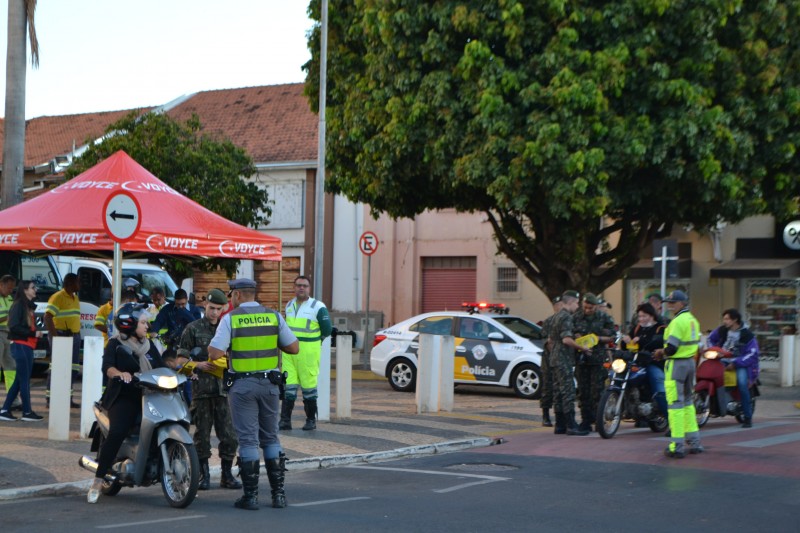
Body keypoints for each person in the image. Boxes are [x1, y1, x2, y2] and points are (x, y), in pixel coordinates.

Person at [208, 278, 299, 510]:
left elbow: (215, 352)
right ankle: (278, 495)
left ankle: (251, 497)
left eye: (231, 295)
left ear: (237, 295)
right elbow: (293, 347)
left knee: (248, 439)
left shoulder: (230, 318)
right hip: (270, 385)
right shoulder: (274, 316)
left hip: (243, 387)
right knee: (271, 437)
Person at [87, 303, 166, 503]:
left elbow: (162, 366)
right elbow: (107, 367)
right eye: (143, 322)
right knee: (117, 431)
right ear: (130, 325)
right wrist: (119, 374)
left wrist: (183, 369)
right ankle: (98, 479)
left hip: (150, 395)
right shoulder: (115, 344)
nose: (147, 326)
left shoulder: (149, 346)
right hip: (124, 396)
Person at [177, 288, 242, 491]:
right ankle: (203, 476)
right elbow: (180, 360)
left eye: (218, 309)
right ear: (205, 305)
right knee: (202, 437)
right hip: (202, 392)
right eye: (211, 308)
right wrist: (198, 365)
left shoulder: (228, 328)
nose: (214, 313)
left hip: (225, 392)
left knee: (230, 436)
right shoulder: (193, 328)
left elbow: (238, 356)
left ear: (224, 308)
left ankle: (226, 475)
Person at [654, 290, 703, 458]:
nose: (669, 305)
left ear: (682, 303)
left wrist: (661, 352)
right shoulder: (692, 320)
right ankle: (695, 442)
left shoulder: (676, 322)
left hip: (676, 364)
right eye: (669, 302)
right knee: (688, 402)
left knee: (675, 404)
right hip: (690, 362)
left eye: (673, 302)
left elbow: (672, 348)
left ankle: (677, 445)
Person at [280, 276, 331, 431]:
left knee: (309, 389)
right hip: (289, 354)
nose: (301, 288)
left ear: (309, 288)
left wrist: (314, 343)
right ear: (294, 287)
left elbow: (327, 330)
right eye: (298, 285)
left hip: (308, 354)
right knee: (288, 387)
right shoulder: (289, 305)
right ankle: (285, 421)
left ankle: (310, 421)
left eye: (304, 286)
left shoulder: (318, 306)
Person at [706, 308, 759, 428]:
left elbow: (753, 354)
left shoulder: (747, 335)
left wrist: (736, 363)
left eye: (727, 319)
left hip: (740, 364)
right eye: (724, 319)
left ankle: (747, 417)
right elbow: (710, 339)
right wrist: (714, 350)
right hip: (722, 360)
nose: (724, 321)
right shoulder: (722, 330)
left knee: (742, 384)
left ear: (735, 320)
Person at [0, 280, 45, 421]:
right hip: (21, 345)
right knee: (24, 380)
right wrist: (33, 334)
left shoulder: (25, 305)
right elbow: (14, 326)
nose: (35, 290)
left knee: (19, 380)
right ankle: (27, 412)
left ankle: (5, 410)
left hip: (26, 345)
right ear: (25, 290)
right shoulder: (19, 305)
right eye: (32, 288)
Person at [547, 290, 590, 436]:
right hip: (563, 358)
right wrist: (582, 347)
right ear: (570, 302)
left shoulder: (556, 316)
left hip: (554, 357)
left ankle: (560, 425)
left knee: (558, 392)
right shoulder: (566, 317)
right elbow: (566, 339)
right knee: (568, 391)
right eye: (577, 303)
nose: (577, 306)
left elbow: (551, 340)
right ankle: (571, 425)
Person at [572, 292, 616, 432]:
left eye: (590, 308)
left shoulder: (604, 317)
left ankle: (598, 420)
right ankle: (585, 420)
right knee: (583, 391)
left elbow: (613, 336)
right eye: (585, 307)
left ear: (596, 306)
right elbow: (570, 332)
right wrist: (576, 336)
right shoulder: (576, 317)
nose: (587, 310)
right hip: (582, 359)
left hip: (598, 358)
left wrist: (598, 339)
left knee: (597, 391)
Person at [621, 303, 668, 420]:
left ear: (652, 316)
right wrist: (625, 341)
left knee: (658, 385)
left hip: (653, 363)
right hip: (636, 362)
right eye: (640, 316)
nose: (641, 319)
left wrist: (640, 340)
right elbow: (626, 345)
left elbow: (657, 342)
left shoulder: (660, 328)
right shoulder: (637, 328)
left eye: (644, 316)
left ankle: (670, 419)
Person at [44, 272, 81, 408]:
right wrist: (56, 338)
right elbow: (47, 317)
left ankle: (68, 399)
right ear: (70, 283)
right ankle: (50, 399)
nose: (80, 284)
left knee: (73, 369)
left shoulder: (75, 298)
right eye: (78, 281)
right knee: (57, 368)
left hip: (74, 336)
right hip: (61, 335)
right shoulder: (57, 297)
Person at [538, 295, 562, 427]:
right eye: (557, 305)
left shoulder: (567, 320)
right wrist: (549, 343)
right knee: (547, 387)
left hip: (562, 358)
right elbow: (543, 339)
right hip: (548, 358)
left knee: (561, 387)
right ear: (554, 307)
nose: (559, 307)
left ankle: (560, 416)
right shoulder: (549, 321)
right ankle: (545, 416)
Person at [150, 288, 195, 356]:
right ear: (174, 300)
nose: (180, 306)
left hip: (189, 345)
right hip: (172, 344)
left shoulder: (194, 310)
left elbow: (196, 325)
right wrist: (154, 330)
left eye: (183, 304)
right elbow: (159, 321)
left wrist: (184, 311)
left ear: (187, 299)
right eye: (178, 304)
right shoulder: (167, 309)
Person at [0, 275, 18, 406]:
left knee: (11, 367)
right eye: (9, 288)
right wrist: (9, 316)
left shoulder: (10, 298)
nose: (11, 291)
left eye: (12, 288)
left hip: (8, 335)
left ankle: (13, 400)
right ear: (1, 284)